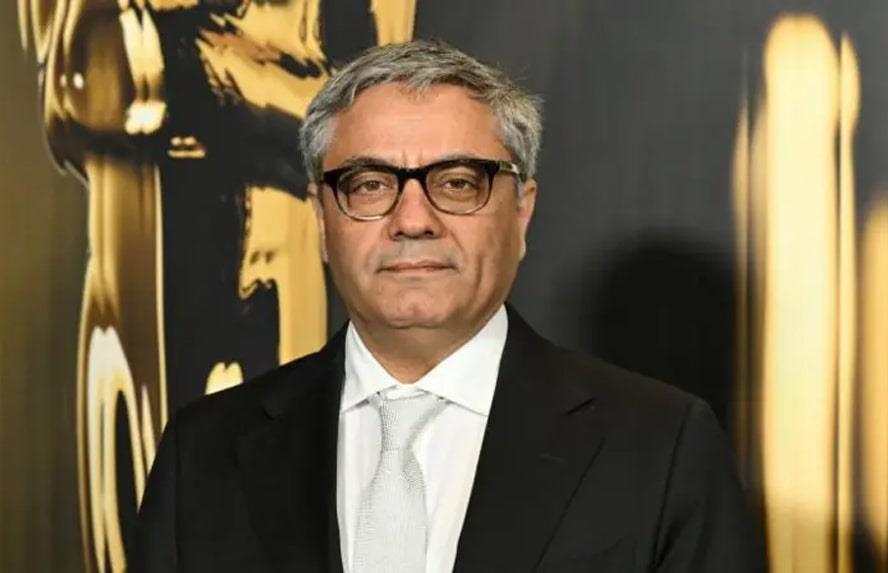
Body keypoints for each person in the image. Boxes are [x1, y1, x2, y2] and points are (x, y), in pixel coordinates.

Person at [130, 39, 764, 572]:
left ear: (521, 213)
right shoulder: (203, 454)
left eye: (458, 183)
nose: (413, 220)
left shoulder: (661, 448)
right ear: (322, 219)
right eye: (370, 185)